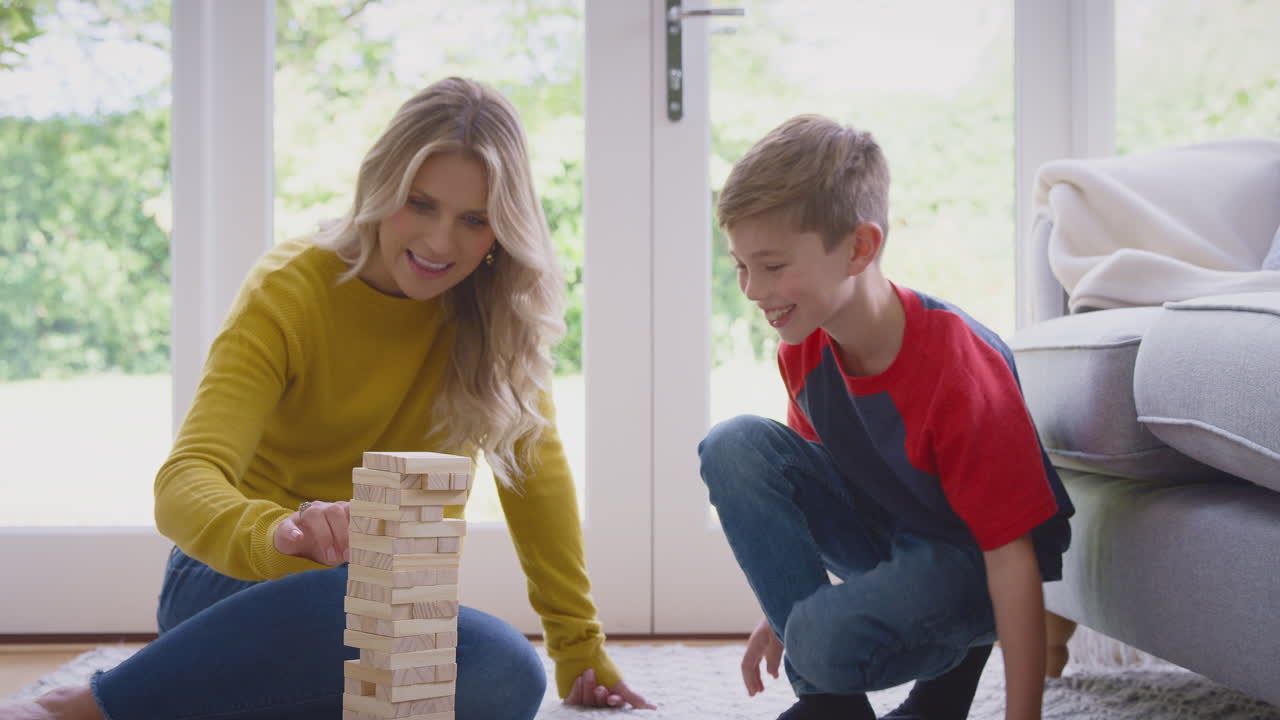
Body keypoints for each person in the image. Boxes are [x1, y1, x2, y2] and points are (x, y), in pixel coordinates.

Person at [5, 76, 653, 720]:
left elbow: (535, 479)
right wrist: (280, 533)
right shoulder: (291, 289)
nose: (438, 243)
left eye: (473, 220)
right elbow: (184, 481)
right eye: (420, 204)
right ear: (380, 186)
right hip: (240, 584)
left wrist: (576, 645)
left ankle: (224, 696)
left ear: (502, 229)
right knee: (339, 601)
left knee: (503, 670)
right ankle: (101, 704)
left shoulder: (495, 316)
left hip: (385, 606)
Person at [698, 114, 1074, 720]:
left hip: (973, 563)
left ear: (859, 247)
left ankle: (936, 684)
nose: (750, 289)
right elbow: (800, 495)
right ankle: (835, 707)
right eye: (741, 266)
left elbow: (1012, 557)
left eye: (771, 266)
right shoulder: (803, 348)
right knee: (734, 445)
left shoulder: (956, 367)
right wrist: (783, 615)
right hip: (891, 539)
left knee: (818, 641)